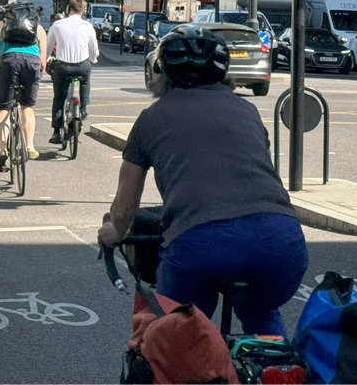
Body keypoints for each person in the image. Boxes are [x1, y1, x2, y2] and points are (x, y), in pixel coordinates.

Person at [97, 24, 308, 336]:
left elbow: (125, 208)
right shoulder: (247, 110)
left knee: (181, 338)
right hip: (282, 243)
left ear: (159, 72)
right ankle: (279, 368)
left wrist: (112, 232)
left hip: (200, 244)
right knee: (260, 313)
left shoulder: (150, 119)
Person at [0, 3, 47, 170]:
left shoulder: (1, 25)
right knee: (27, 106)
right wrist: (37, 78)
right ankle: (29, 145)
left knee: (4, 108)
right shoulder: (39, 28)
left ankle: (2, 149)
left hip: (9, 61)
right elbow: (42, 60)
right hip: (31, 63)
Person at [46, 0, 99, 144]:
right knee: (85, 81)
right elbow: (93, 49)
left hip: (62, 67)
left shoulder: (57, 25)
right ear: (84, 10)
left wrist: (45, 60)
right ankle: (83, 108)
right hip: (82, 65)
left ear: (68, 9)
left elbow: (48, 46)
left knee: (59, 98)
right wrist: (93, 59)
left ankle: (56, 131)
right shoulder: (88, 26)